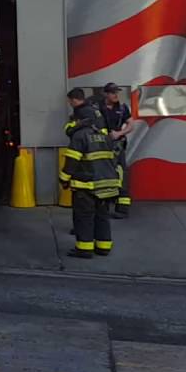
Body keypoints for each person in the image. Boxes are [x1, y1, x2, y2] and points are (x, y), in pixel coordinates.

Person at [61, 90, 120, 259]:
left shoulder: (79, 136)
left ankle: (84, 249)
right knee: (102, 216)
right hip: (106, 183)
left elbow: (71, 162)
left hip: (86, 185)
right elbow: (113, 160)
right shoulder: (105, 138)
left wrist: (63, 179)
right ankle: (103, 246)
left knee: (84, 217)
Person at [95, 83, 137, 219]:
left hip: (117, 146)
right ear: (105, 94)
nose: (115, 95)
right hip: (101, 147)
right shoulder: (97, 108)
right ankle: (103, 208)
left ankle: (122, 208)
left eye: (116, 93)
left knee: (122, 175)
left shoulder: (122, 108)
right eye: (112, 93)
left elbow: (131, 124)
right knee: (104, 176)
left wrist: (119, 133)